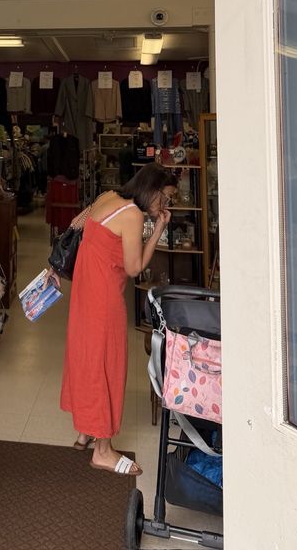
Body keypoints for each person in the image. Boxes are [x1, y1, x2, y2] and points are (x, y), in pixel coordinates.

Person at [56, 162, 177, 475]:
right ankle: (103, 450)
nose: (165, 205)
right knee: (108, 367)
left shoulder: (107, 197)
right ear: (151, 189)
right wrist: (159, 228)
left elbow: (78, 223)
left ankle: (85, 432)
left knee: (87, 360)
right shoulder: (133, 214)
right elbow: (134, 267)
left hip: (84, 294)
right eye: (164, 197)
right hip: (104, 301)